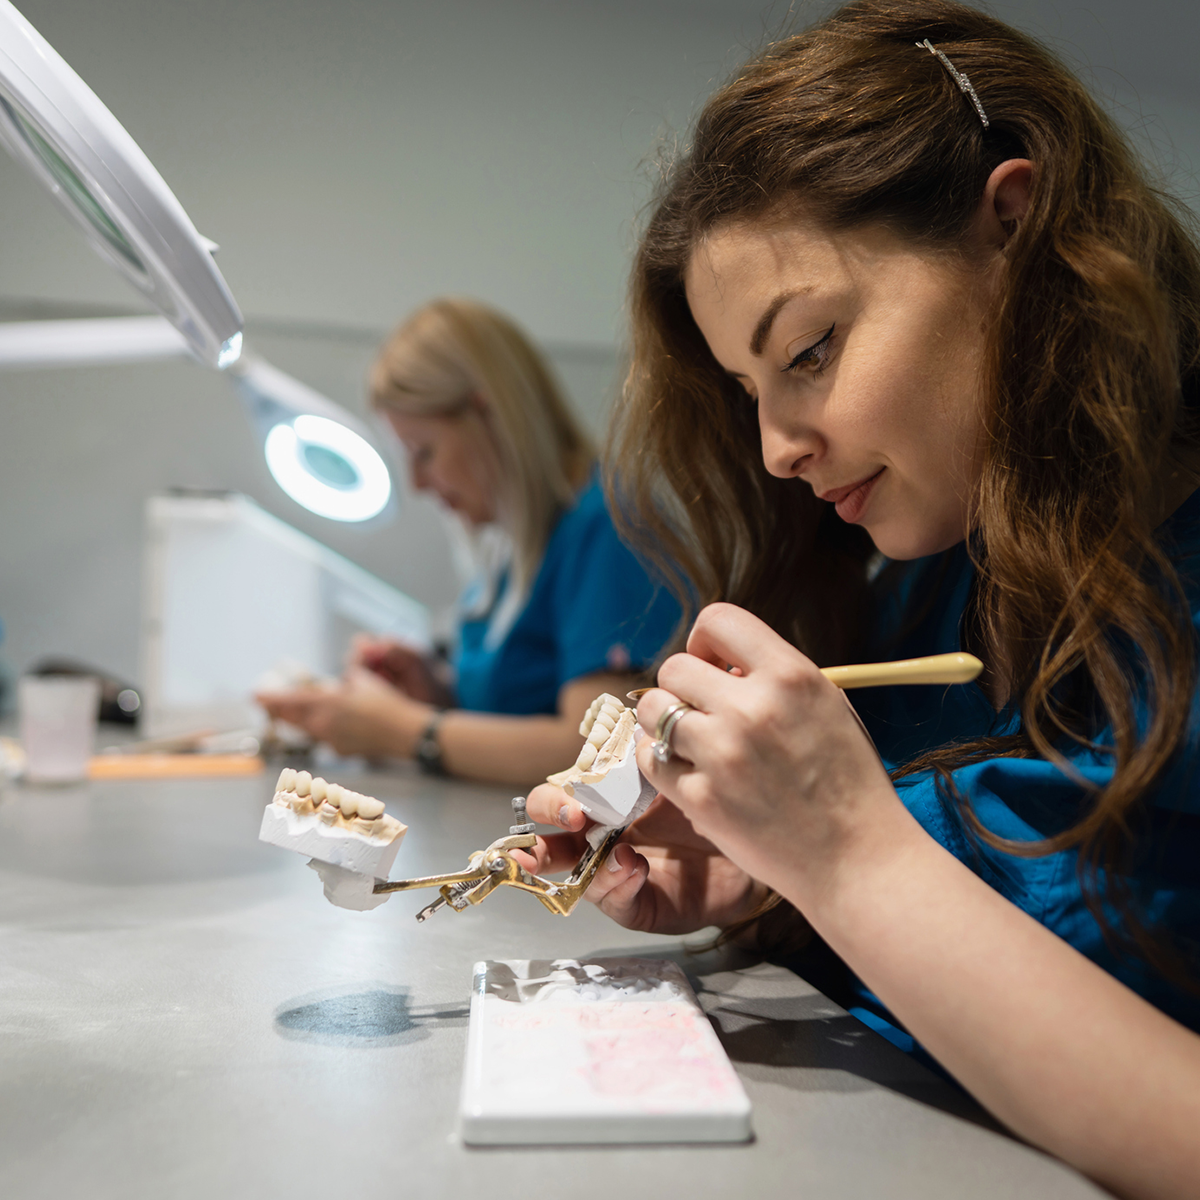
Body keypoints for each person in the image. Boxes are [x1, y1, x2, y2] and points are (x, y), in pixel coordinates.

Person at [517, 3, 1200, 1195]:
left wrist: (844, 855)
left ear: (1013, 229)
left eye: (813, 351)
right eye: (749, 391)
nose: (777, 447)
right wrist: (765, 872)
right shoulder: (947, 567)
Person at [258, 298, 679, 785]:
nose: (416, 484)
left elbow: (600, 752)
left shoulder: (609, 528)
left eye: (424, 452)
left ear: (488, 414)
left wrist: (404, 730)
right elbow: (524, 703)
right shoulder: (515, 545)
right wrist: (434, 691)